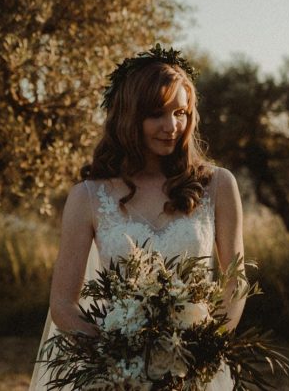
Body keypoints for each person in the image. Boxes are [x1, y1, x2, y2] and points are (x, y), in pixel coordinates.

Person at [29, 45, 246, 390]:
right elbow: (63, 305)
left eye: (181, 112)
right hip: (119, 377)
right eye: (157, 113)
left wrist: (203, 349)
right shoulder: (87, 197)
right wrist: (119, 357)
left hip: (196, 372)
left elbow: (236, 281)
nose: (171, 126)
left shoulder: (217, 185)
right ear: (129, 116)